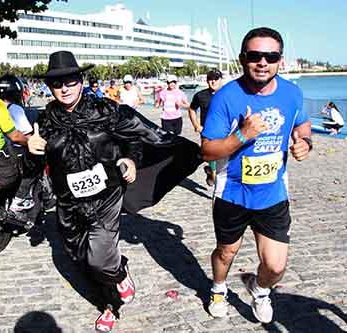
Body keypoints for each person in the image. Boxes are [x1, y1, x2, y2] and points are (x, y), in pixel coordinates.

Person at [27, 51, 203, 332]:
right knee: (81, 258)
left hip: (105, 197)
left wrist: (132, 159)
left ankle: (111, 305)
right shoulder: (45, 120)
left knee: (99, 257)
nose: (64, 88)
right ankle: (114, 275)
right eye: (57, 83)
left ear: (81, 80)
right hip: (68, 204)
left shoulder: (106, 110)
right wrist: (32, 149)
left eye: (70, 80)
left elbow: (136, 137)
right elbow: (35, 165)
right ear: (50, 87)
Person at [201, 27, 312, 324]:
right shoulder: (226, 97)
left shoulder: (292, 93)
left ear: (280, 60)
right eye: (255, 55)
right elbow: (208, 151)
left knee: (275, 267)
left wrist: (305, 143)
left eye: (270, 56)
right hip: (232, 193)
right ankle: (219, 288)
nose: (263, 62)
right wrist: (242, 134)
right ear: (242, 59)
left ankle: (259, 289)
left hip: (272, 193)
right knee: (227, 252)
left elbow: (302, 126)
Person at [0, 74, 37, 212]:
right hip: (14, 153)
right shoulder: (14, 109)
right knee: (36, 162)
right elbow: (27, 135)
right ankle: (21, 196)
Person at [188, 69, 224, 186]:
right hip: (207, 132)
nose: (213, 82)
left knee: (223, 157)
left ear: (220, 80)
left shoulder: (227, 94)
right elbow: (192, 109)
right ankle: (213, 175)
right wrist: (196, 125)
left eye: (216, 79)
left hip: (225, 131)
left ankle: (211, 171)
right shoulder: (200, 95)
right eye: (210, 79)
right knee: (212, 156)